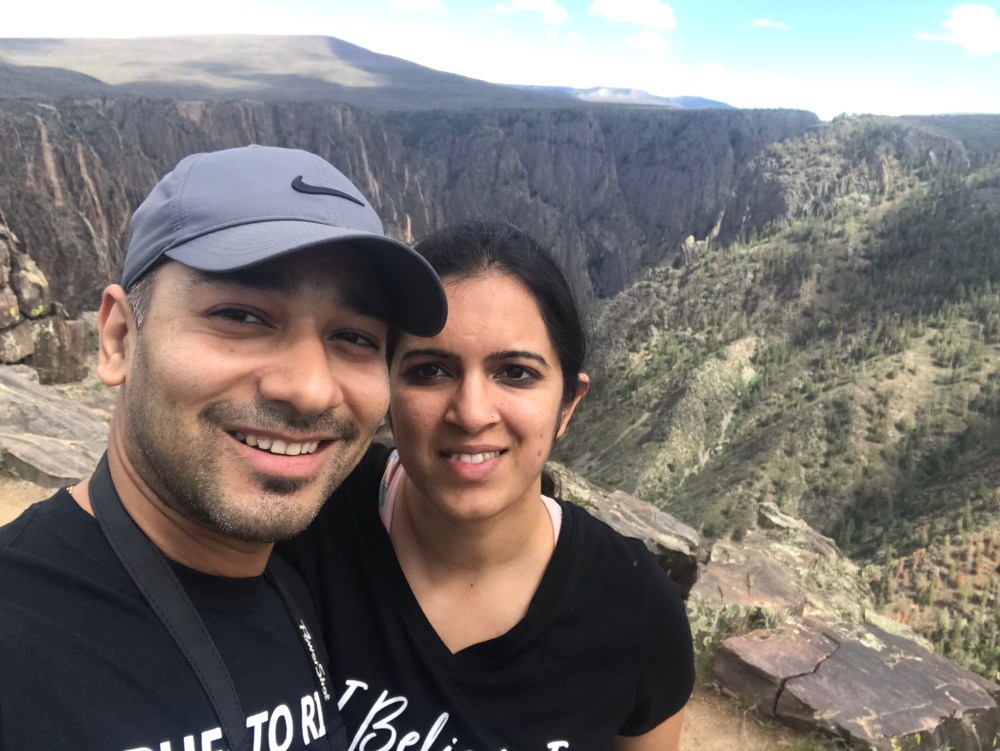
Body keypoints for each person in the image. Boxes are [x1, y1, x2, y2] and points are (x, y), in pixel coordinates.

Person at [0, 145, 447, 751]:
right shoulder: (18, 632)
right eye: (241, 315)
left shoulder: (300, 589)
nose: (310, 390)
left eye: (354, 337)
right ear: (119, 338)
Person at [281, 220, 694, 751]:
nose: (472, 413)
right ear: (387, 390)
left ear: (568, 404)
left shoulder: (634, 609)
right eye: (430, 371)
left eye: (515, 373)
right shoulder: (305, 520)